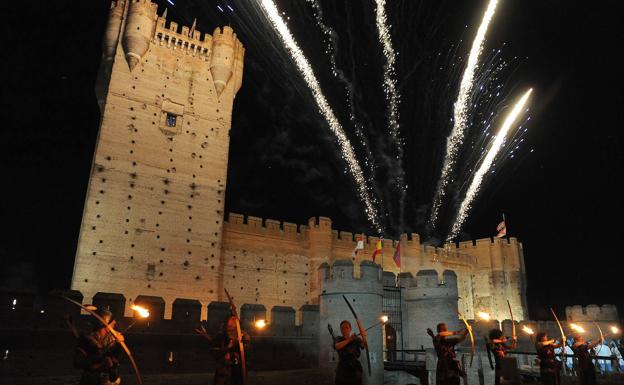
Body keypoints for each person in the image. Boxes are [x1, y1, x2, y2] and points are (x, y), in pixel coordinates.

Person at [73, 308, 124, 385]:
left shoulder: (115, 337)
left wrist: (119, 344)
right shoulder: (87, 339)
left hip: (109, 380)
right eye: (111, 321)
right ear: (104, 323)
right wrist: (98, 361)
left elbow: (117, 359)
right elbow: (78, 362)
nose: (114, 322)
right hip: (91, 380)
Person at [196, 316, 250, 385]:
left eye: (233, 325)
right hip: (223, 371)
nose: (230, 326)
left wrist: (244, 342)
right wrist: (227, 348)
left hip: (236, 371)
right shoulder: (222, 336)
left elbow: (247, 354)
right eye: (229, 324)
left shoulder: (243, 337)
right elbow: (215, 349)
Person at [332, 320, 366, 385]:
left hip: (355, 370)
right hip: (342, 370)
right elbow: (337, 346)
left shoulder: (356, 339)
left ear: (350, 329)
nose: (344, 329)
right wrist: (349, 339)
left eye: (346, 327)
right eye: (342, 328)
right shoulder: (338, 339)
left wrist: (363, 336)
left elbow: (364, 345)